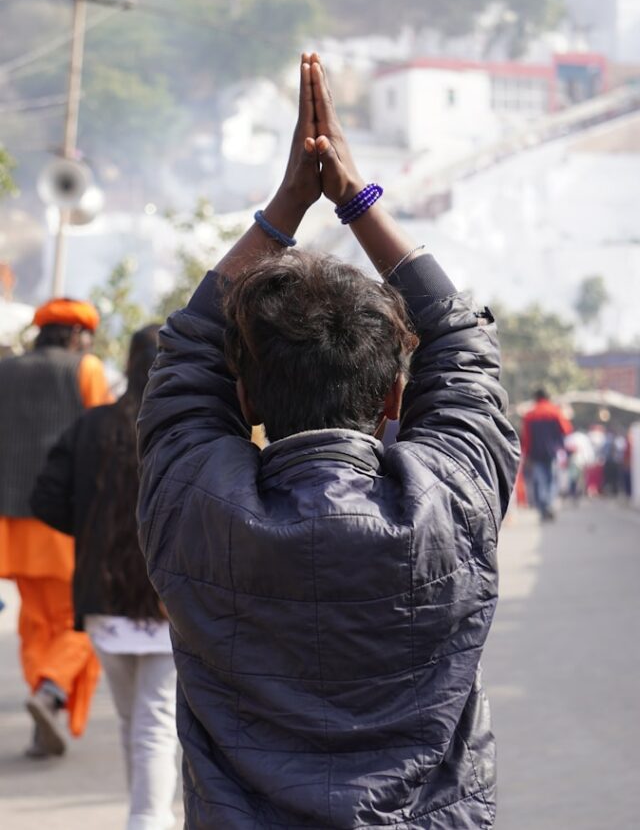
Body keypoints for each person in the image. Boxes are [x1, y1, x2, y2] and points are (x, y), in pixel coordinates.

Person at [137, 54, 520, 829]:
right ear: (392, 398)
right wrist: (355, 197)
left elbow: (182, 353)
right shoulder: (452, 499)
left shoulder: (193, 503)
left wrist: (286, 208)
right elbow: (464, 344)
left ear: (242, 396)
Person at [31, 325, 178, 829]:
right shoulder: (189, 429)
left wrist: (89, 532)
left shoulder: (91, 427)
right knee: (157, 724)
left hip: (104, 603)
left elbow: (45, 498)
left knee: (134, 721)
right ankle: (148, 819)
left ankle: (143, 817)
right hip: (167, 602)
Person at [0, 298, 112, 757]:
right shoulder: (86, 370)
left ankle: (41, 715)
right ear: (76, 336)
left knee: (35, 621)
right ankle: (51, 691)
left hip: (11, 523)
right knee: (83, 618)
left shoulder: (4, 371)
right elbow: (103, 440)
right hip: (65, 523)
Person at [521, 388, 572, 521]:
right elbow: (566, 429)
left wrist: (526, 455)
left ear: (536, 398)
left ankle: (543, 507)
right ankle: (549, 504)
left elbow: (526, 437)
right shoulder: (555, 412)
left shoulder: (530, 415)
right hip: (552, 452)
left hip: (535, 453)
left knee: (540, 480)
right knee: (551, 480)